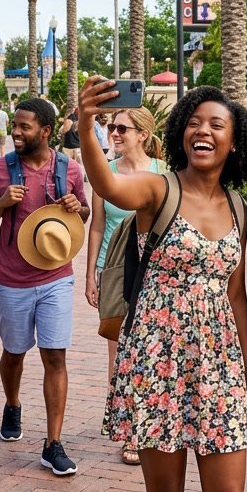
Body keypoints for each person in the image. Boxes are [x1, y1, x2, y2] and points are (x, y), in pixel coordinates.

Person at [82, 79, 247, 492]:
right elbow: (109, 186)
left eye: (216, 124)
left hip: (218, 362)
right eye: (194, 122)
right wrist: (85, 122)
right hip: (156, 357)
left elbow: (236, 295)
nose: (202, 131)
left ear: (234, 138)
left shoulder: (239, 207)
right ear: (181, 131)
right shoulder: (158, 188)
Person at [0, 98, 89, 476]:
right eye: (15, 126)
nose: (16, 132)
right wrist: (3, 202)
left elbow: (85, 212)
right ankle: (12, 403)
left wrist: (77, 206)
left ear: (46, 131)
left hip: (57, 277)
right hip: (12, 279)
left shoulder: (69, 169)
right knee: (15, 351)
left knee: (55, 356)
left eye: (24, 127)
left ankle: (53, 443)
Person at [84, 107, 164, 466]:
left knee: (156, 353)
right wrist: (91, 274)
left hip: (158, 274)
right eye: (110, 127)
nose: (113, 133)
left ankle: (155, 423)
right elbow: (97, 226)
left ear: (142, 135)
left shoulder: (164, 174)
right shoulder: (106, 172)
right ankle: (131, 431)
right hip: (115, 271)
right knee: (120, 356)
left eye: (121, 129)